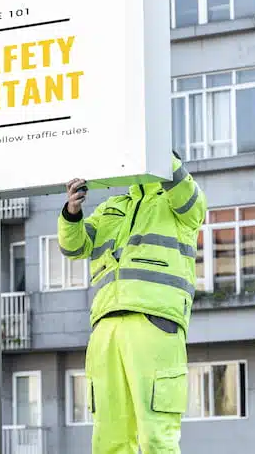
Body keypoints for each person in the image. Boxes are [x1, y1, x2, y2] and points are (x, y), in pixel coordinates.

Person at [58, 151, 206, 454]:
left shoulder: (179, 202)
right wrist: (71, 212)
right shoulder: (113, 207)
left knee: (156, 437)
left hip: (154, 320)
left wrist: (159, 147)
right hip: (106, 326)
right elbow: (74, 246)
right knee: (108, 440)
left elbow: (187, 195)